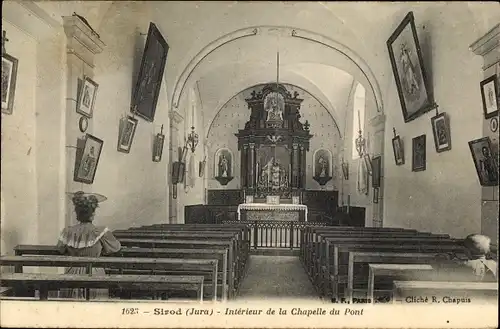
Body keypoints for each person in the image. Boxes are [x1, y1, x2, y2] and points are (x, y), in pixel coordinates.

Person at [57, 192, 121, 299]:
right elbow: (116, 247)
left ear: (77, 214)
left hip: (72, 275)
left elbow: (60, 249)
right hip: (94, 274)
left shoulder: (68, 232)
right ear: (92, 214)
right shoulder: (100, 232)